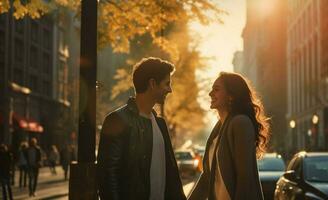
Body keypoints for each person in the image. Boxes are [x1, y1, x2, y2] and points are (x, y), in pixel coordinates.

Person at [97, 57, 186, 200]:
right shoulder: (117, 120)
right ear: (152, 83)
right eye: (166, 84)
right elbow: (107, 176)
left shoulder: (161, 124)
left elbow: (172, 176)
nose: (170, 89)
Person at [188, 72, 270, 200]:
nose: (210, 93)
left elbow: (244, 178)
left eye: (216, 89)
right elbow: (206, 179)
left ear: (231, 95)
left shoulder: (240, 123)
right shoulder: (219, 127)